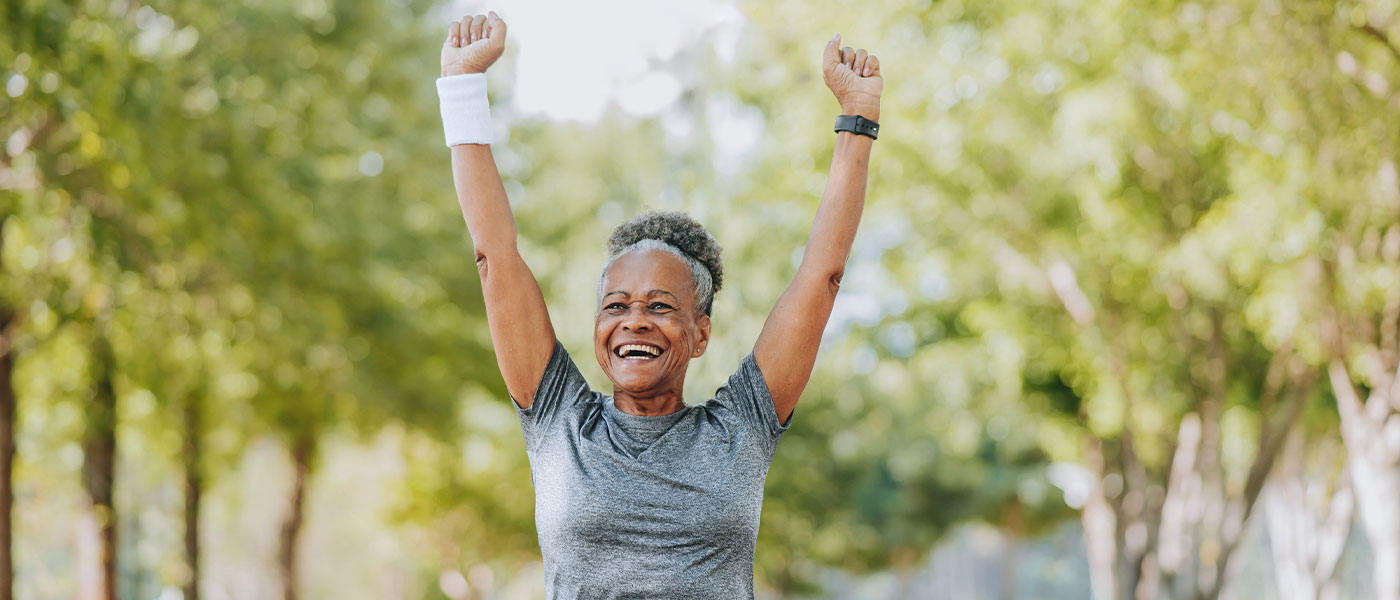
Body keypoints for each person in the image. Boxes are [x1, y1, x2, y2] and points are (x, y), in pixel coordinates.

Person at [436, 11, 883, 598]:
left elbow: (820, 278)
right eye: (616, 305)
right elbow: (494, 255)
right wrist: (463, 86)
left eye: (660, 306)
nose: (634, 320)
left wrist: (857, 122)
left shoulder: (740, 429)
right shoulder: (559, 420)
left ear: (701, 333)